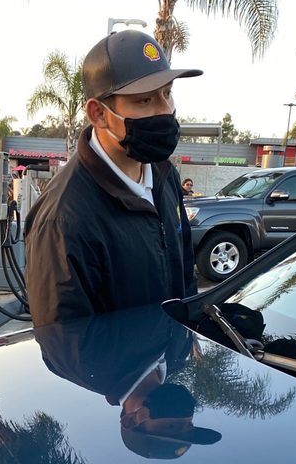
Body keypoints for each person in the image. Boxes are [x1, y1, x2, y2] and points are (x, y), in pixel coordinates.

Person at [25, 30, 203, 327]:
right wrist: (141, 368)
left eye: (167, 93)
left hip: (173, 365)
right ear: (98, 114)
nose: (165, 110)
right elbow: (66, 345)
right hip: (121, 374)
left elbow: (184, 274)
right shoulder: (63, 218)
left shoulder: (164, 174)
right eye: (145, 100)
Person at [35, 304, 221, 460]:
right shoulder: (180, 353)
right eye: (189, 425)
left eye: (171, 427)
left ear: (131, 420)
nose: (183, 418)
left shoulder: (83, 361)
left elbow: (60, 284)